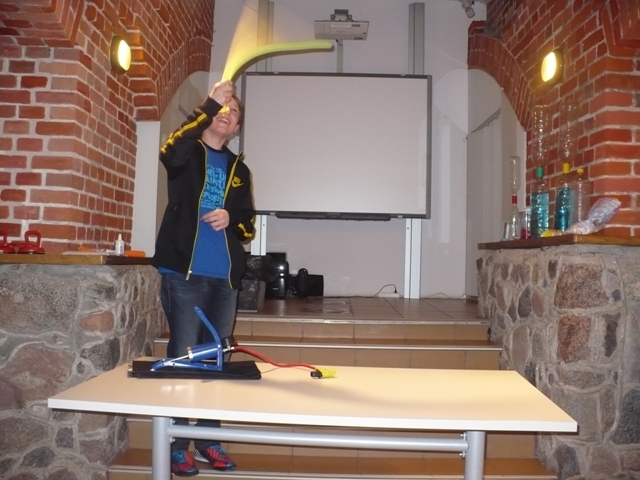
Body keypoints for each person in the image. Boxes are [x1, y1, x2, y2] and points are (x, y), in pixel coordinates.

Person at [152, 79, 255, 477]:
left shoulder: (240, 170)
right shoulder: (187, 151)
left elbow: (247, 226)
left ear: (237, 127)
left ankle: (208, 440)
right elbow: (168, 150)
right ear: (210, 112)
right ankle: (177, 445)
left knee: (216, 360)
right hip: (185, 272)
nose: (227, 115)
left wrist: (232, 218)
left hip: (224, 278)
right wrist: (211, 103)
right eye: (223, 109)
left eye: (234, 112)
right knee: (183, 357)